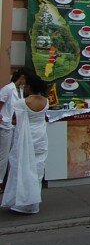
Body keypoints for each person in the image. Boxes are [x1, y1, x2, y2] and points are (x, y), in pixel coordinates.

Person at [1, 72, 49, 214]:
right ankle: (33, 202)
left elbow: (15, 119)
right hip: (40, 137)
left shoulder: (22, 103)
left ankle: (20, 201)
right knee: (38, 169)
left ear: (28, 87)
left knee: (21, 168)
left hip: (25, 138)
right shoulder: (46, 101)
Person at [0, 68, 27, 191]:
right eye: (25, 79)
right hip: (5, 125)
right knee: (3, 155)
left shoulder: (20, 90)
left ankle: (10, 182)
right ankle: (0, 181)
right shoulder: (8, 89)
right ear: (21, 77)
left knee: (13, 155)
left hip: (15, 125)